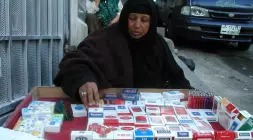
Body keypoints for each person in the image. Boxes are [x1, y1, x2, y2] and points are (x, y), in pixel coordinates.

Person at [54, 0, 192, 108]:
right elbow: (74, 62)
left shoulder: (157, 44)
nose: (137, 25)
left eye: (144, 20)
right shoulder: (105, 38)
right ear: (125, 17)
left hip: (151, 116)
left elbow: (177, 78)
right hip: (110, 112)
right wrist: (83, 79)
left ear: (152, 22)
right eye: (132, 18)